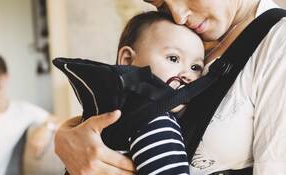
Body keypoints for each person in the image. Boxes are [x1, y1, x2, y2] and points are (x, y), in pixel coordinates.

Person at [54, 0, 286, 174]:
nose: (178, 15)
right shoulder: (188, 38)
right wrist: (68, 138)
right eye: (161, 5)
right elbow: (134, 109)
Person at [57, 11, 204, 174]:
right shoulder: (157, 122)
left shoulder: (102, 109)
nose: (188, 75)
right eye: (173, 58)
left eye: (195, 67)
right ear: (127, 59)